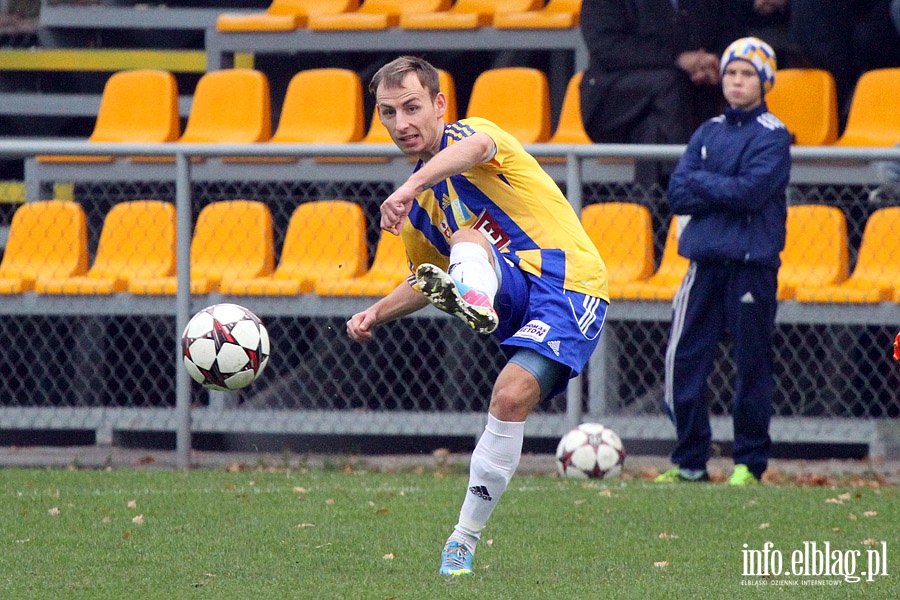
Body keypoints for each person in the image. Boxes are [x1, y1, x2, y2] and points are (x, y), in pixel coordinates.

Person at [346, 56, 610, 576]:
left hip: (568, 283)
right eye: (388, 112)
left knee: (509, 395)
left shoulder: (475, 136)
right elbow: (425, 279)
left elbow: (473, 150)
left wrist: (407, 187)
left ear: (440, 105)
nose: (402, 123)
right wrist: (375, 312)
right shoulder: (419, 216)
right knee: (464, 243)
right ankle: (476, 297)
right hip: (502, 284)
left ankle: (462, 538)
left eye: (413, 107)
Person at [656, 37, 791, 486]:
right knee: (684, 358)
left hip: (752, 265)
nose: (736, 81)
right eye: (732, 72)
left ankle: (749, 464)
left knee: (751, 365)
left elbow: (752, 192)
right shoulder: (707, 131)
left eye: (747, 74)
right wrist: (722, 186)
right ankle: (691, 460)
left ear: (764, 82)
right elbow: (677, 192)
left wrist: (704, 184)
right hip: (704, 263)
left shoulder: (773, 135)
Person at [578, 0, 739, 187]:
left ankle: (654, 211)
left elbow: (731, 32)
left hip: (683, 103)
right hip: (611, 104)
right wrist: (677, 60)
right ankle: (687, 184)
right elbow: (607, 47)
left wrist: (713, 65)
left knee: (652, 129)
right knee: (669, 84)